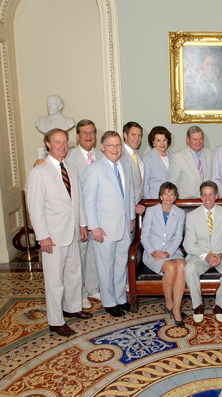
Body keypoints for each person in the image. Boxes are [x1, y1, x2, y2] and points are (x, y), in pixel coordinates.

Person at [27, 128, 91, 336]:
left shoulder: (70, 168)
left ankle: (72, 307)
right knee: (54, 281)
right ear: (48, 144)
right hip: (52, 237)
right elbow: (35, 207)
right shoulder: (39, 171)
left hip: (72, 232)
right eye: (57, 142)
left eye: (64, 142)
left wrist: (82, 224)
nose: (62, 146)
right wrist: (42, 236)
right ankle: (55, 320)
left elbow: (78, 200)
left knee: (74, 273)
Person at [82, 131, 135, 318]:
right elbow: (88, 202)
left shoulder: (126, 166)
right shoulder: (94, 169)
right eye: (111, 145)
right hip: (103, 229)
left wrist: (131, 219)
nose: (115, 149)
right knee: (105, 267)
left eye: (118, 145)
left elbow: (128, 195)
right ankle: (109, 302)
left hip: (123, 226)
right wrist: (93, 227)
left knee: (121, 265)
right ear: (102, 147)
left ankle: (120, 298)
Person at [183, 181, 222, 323]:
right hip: (200, 255)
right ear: (200, 196)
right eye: (204, 195)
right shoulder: (192, 216)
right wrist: (206, 256)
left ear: (216, 196)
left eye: (210, 194)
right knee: (189, 268)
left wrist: (221, 254)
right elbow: (188, 244)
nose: (207, 198)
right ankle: (198, 305)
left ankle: (220, 305)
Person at [66, 120, 103, 309]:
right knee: (79, 257)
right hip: (79, 216)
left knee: (93, 255)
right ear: (78, 136)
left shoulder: (100, 154)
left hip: (98, 216)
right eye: (84, 132)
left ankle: (93, 288)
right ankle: (80, 294)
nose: (88, 136)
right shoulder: (69, 157)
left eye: (91, 132)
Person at [141, 182, 186, 326]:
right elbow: (144, 237)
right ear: (160, 196)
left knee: (181, 264)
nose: (168, 197)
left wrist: (167, 253)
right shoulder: (151, 211)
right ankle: (169, 304)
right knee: (171, 268)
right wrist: (154, 252)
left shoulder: (180, 213)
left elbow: (178, 237)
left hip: (171, 251)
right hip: (152, 252)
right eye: (166, 193)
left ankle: (177, 308)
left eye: (172, 194)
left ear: (175, 197)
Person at [168, 126, 214, 199]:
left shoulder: (211, 154)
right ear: (187, 140)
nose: (198, 142)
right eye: (194, 139)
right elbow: (172, 183)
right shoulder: (177, 157)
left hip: (208, 201)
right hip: (186, 202)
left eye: (201, 139)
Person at [120, 121, 145, 215]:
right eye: (133, 135)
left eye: (139, 135)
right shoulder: (119, 154)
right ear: (125, 135)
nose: (137, 139)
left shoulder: (138, 153)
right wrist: (132, 207)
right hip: (126, 210)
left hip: (139, 206)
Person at [143, 127, 174, 199]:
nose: (162, 143)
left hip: (172, 200)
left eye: (164, 140)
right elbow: (145, 184)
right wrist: (150, 201)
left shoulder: (174, 156)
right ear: (153, 142)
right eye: (158, 140)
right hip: (155, 200)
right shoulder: (147, 159)